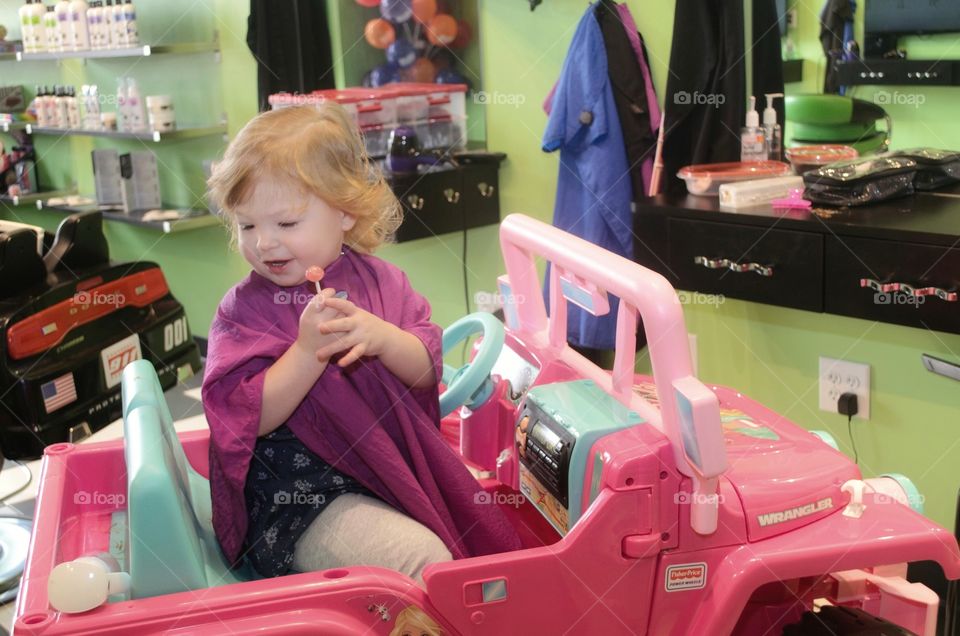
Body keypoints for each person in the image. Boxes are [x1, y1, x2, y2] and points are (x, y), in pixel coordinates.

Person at [203, 103, 520, 582]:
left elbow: (425, 374)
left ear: (345, 213)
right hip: (298, 503)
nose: (264, 243)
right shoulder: (242, 309)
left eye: (285, 224)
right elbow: (250, 416)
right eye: (247, 225)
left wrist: (384, 338)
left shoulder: (383, 282)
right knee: (425, 561)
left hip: (392, 476)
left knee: (488, 539)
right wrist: (307, 351)